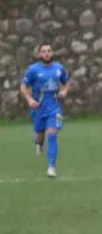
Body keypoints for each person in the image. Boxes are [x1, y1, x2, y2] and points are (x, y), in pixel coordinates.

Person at [21, 43, 72, 178]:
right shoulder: (34, 70)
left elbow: (67, 82)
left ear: (52, 53)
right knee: (40, 135)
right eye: (43, 51)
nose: (47, 53)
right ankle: (39, 142)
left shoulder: (59, 68)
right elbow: (23, 86)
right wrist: (30, 100)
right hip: (38, 108)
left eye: (49, 51)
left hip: (54, 107)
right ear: (39, 55)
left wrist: (64, 91)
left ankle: (51, 167)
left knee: (53, 135)